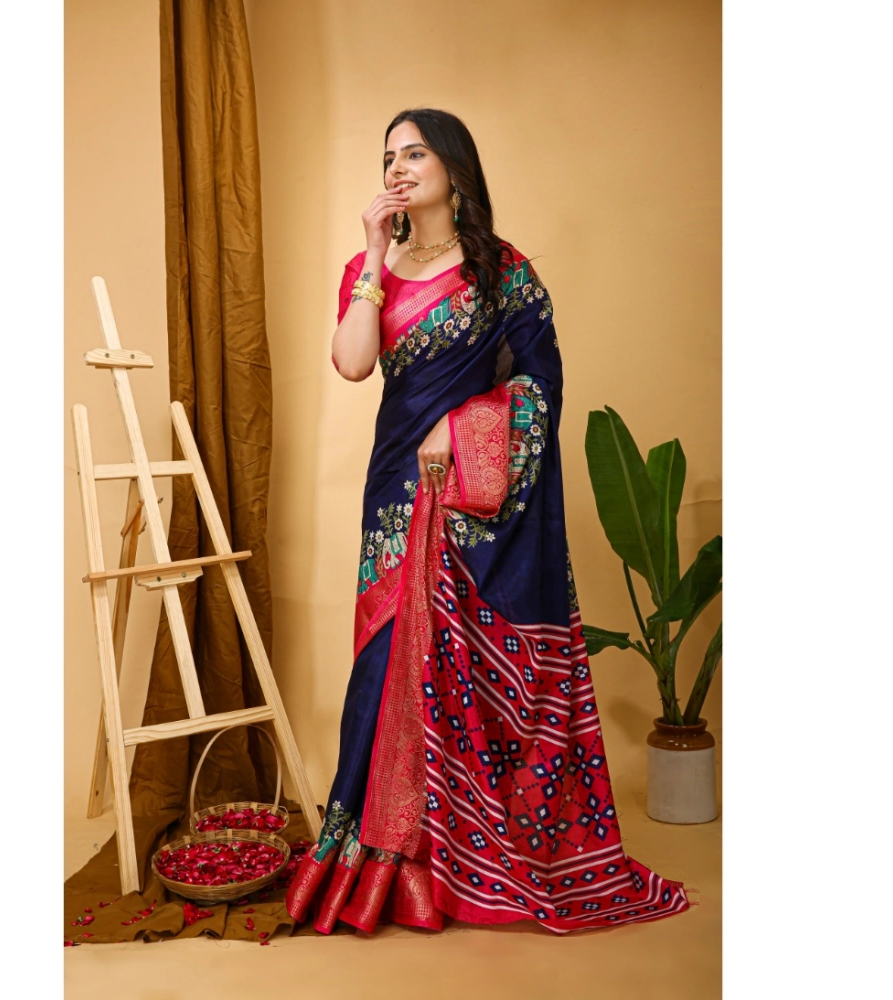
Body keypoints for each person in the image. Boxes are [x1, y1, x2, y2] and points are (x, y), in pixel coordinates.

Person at [285, 108, 690, 935]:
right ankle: (383, 858)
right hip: (395, 491)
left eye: (415, 153)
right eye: (388, 157)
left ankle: (456, 860)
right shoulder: (372, 268)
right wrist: (373, 252)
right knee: (384, 663)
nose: (398, 168)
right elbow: (354, 362)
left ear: (453, 167)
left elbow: (542, 381)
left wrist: (465, 424)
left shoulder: (503, 273)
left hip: (469, 495)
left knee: (455, 664)